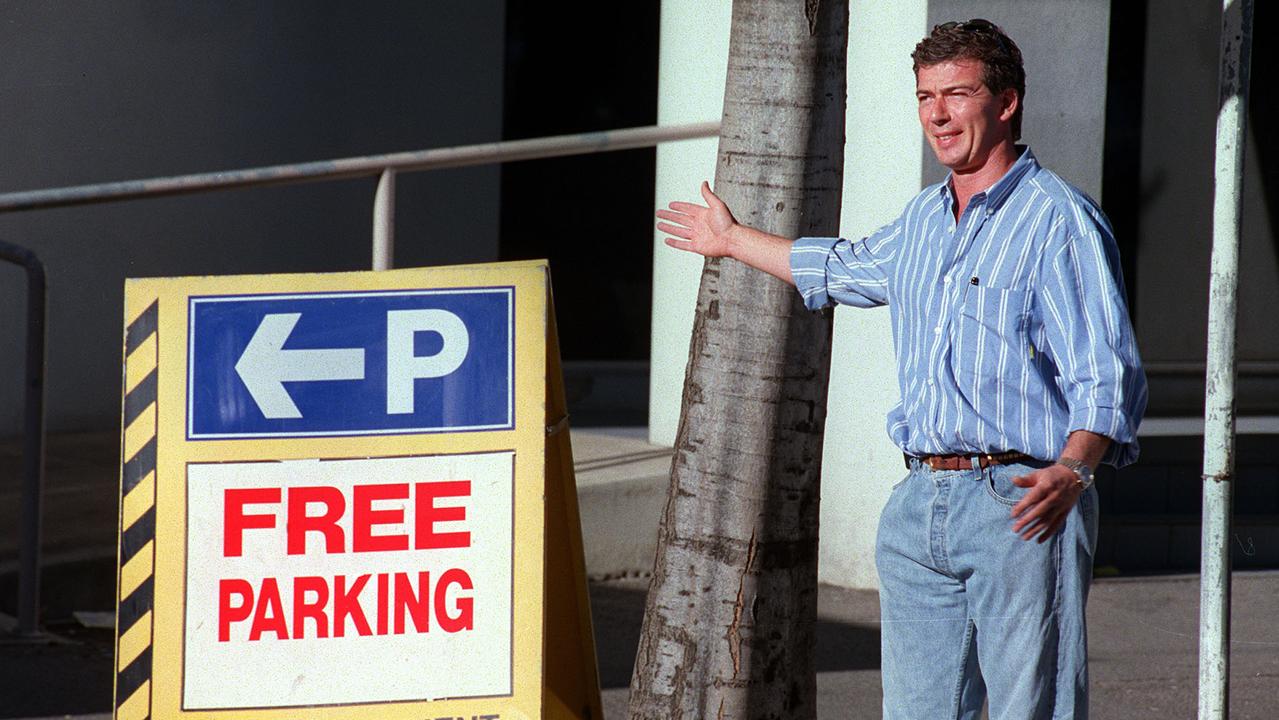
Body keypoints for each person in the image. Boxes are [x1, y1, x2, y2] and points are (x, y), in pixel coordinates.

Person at [655, 19, 1147, 720]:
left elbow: (1105, 371)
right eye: (924, 97)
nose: (937, 115)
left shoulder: (1057, 220)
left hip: (1020, 500)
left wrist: (1073, 469)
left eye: (956, 94)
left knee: (1030, 710)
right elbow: (843, 266)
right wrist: (730, 240)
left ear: (1004, 102)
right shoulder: (921, 219)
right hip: (919, 504)